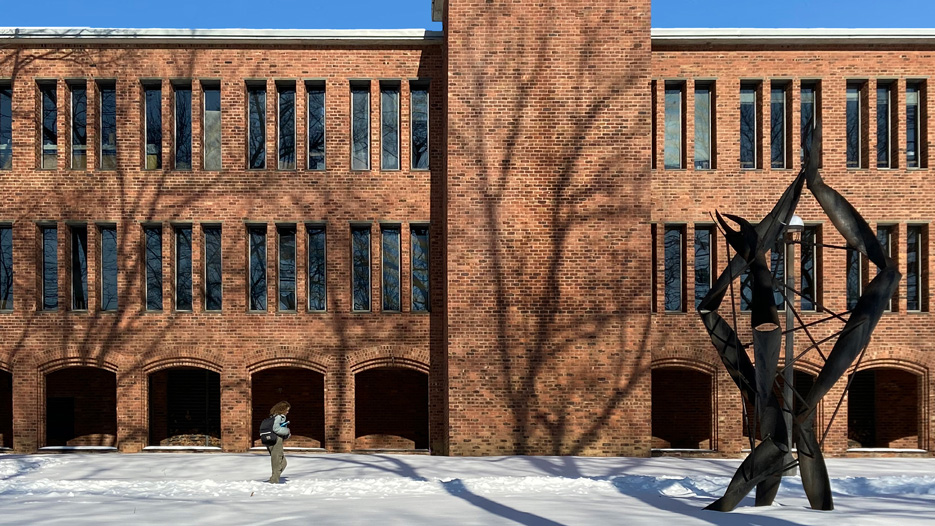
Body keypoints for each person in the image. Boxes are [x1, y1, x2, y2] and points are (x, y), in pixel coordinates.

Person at [267, 401, 291, 483]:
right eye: (287, 410)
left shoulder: (273, 417)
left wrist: (286, 434)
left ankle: (273, 478)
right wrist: (287, 431)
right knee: (277, 462)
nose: (288, 412)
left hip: (271, 440)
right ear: (282, 409)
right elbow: (276, 429)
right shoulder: (278, 417)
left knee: (283, 462)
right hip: (276, 441)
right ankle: (274, 482)